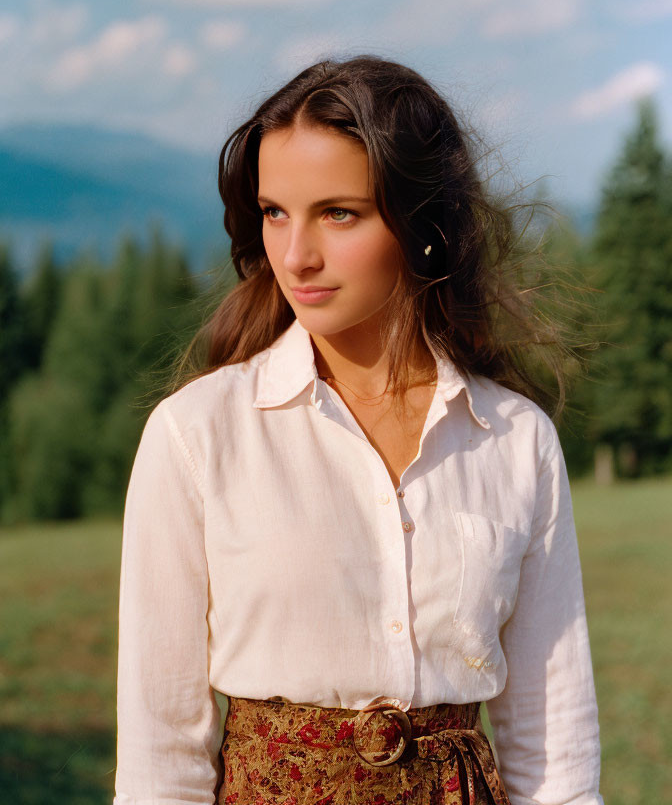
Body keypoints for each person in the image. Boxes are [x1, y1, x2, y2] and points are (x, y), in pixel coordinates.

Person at [113, 56, 603, 805]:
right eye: (275, 212)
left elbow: (554, 747)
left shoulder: (515, 440)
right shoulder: (196, 434)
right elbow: (159, 763)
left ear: (423, 224)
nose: (295, 255)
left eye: (338, 213)